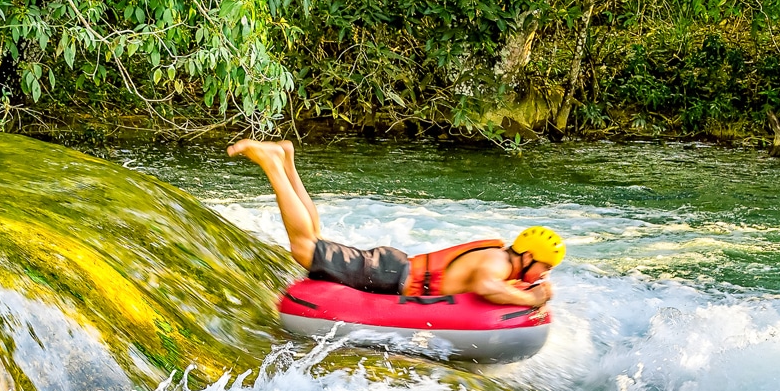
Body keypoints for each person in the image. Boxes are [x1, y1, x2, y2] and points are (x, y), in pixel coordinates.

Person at [226, 139, 563, 307]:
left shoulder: (503, 255)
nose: (543, 275)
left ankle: (287, 160)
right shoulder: (497, 263)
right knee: (305, 248)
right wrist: (532, 299)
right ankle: (271, 163)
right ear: (528, 257)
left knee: (315, 238)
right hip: (388, 274)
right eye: (544, 268)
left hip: (393, 268)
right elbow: (487, 287)